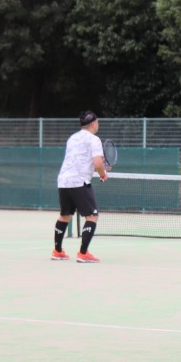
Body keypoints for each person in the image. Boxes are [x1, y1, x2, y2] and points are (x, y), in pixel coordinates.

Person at [52, 111, 108, 262]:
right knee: (92, 216)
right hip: (79, 182)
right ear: (93, 123)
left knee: (65, 215)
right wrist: (103, 174)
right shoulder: (94, 140)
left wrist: (100, 167)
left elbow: (82, 161)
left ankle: (57, 251)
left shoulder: (72, 138)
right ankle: (83, 253)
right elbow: (97, 164)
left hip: (63, 181)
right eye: (98, 122)